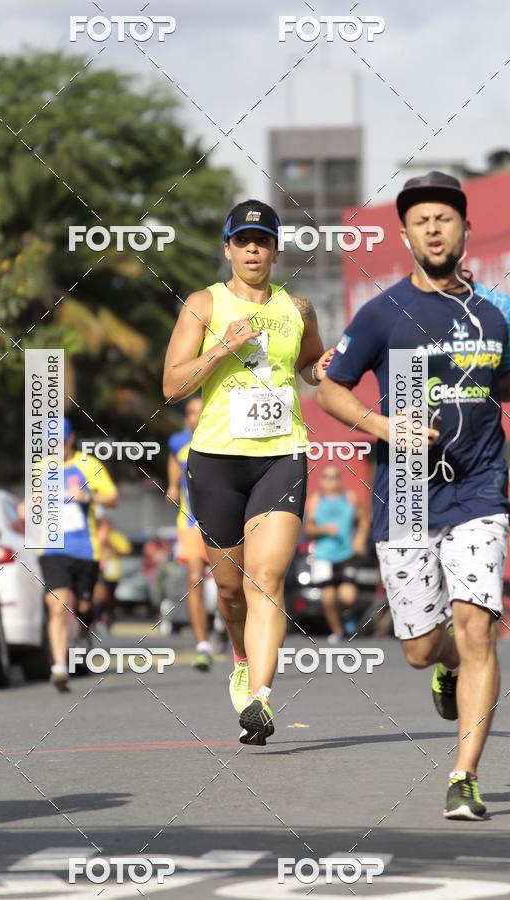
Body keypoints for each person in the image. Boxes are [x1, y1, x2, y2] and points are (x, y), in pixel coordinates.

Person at [318, 171, 510, 819]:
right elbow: (332, 388)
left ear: (464, 228)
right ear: (406, 234)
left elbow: (497, 386)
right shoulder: (382, 313)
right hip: (405, 489)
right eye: (421, 220)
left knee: (478, 628)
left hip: (480, 489)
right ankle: (444, 667)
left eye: (445, 217)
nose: (434, 228)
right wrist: (383, 425)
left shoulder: (497, 311)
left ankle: (463, 775)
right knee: (418, 648)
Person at [163, 198, 332, 744]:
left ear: (276, 250)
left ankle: (260, 697)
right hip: (215, 460)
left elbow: (309, 366)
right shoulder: (203, 306)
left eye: (263, 241)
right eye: (243, 241)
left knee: (268, 578)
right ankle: (240, 656)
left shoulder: (299, 308)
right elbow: (171, 385)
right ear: (228, 248)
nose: (253, 249)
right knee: (231, 590)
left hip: (281, 454)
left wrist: (320, 368)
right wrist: (221, 350)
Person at [39, 417, 119, 691]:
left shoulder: (88, 465)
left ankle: (85, 630)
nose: (55, 448)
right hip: (53, 550)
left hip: (86, 551)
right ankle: (60, 667)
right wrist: (28, 508)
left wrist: (88, 497)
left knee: (83, 608)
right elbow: (29, 505)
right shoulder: (41, 468)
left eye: (59, 442)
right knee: (58, 605)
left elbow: (113, 498)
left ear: (70, 439)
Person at [167, 395, 214, 671]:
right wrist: (173, 489)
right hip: (191, 522)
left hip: (223, 522)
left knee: (228, 585)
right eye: (191, 412)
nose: (196, 416)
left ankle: (226, 629)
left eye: (200, 410)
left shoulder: (223, 439)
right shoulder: (178, 446)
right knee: (195, 578)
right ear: (188, 418)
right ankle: (202, 645)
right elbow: (173, 483)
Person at [304, 463, 371, 643]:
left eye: (334, 477)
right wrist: (324, 529)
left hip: (346, 553)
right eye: (327, 477)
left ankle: (348, 615)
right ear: (321, 481)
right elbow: (308, 528)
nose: (331, 481)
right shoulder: (316, 501)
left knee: (348, 597)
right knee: (328, 598)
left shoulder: (350, 498)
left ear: (340, 480)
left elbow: (364, 519)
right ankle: (338, 631)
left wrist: (360, 539)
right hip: (323, 555)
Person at [92, 516, 132, 633]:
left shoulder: (116, 537)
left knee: (109, 598)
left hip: (113, 574)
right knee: (99, 596)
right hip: (99, 572)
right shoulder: (95, 536)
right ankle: (97, 619)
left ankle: (107, 619)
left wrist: (110, 545)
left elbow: (127, 550)